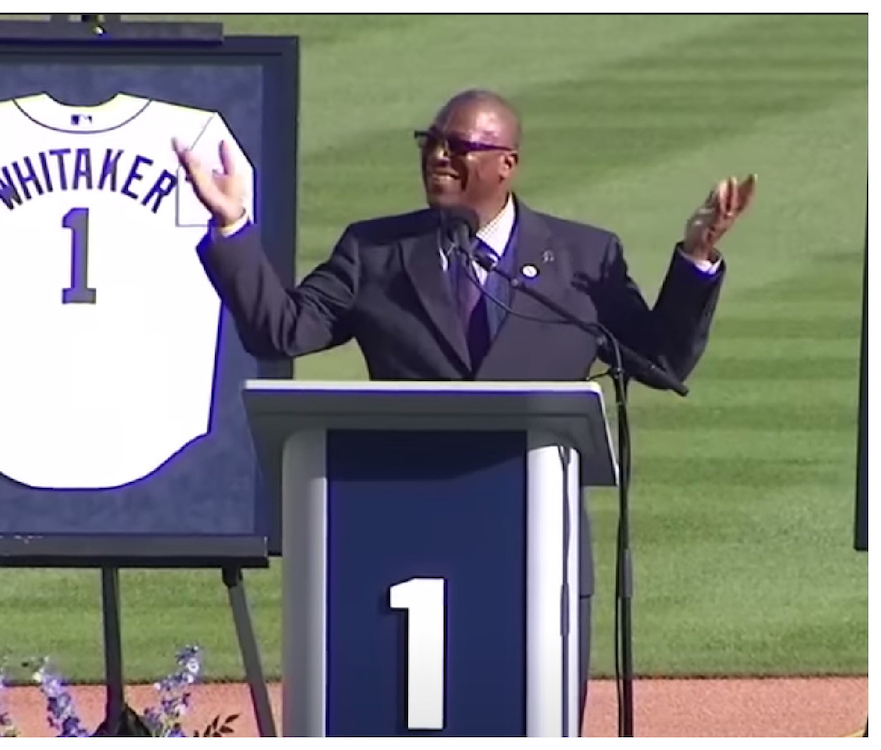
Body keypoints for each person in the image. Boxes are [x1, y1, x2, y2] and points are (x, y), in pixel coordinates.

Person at [173, 88, 756, 734]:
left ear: (506, 164)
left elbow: (660, 361)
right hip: (399, 546)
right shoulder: (374, 253)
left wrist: (697, 258)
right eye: (431, 142)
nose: (438, 156)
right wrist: (232, 228)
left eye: (459, 146)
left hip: (537, 552)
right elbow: (281, 331)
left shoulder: (584, 260)